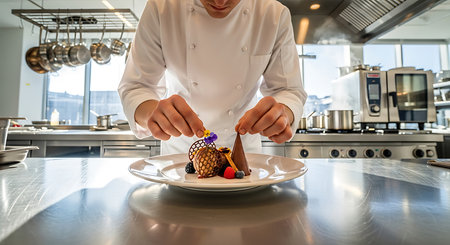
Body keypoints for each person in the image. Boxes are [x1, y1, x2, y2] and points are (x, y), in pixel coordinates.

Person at [118, 0, 307, 155]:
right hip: (180, 156)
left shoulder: (273, 15)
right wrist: (153, 114)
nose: (220, 1)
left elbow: (288, 90)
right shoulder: (162, 8)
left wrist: (284, 113)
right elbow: (136, 86)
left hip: (244, 156)